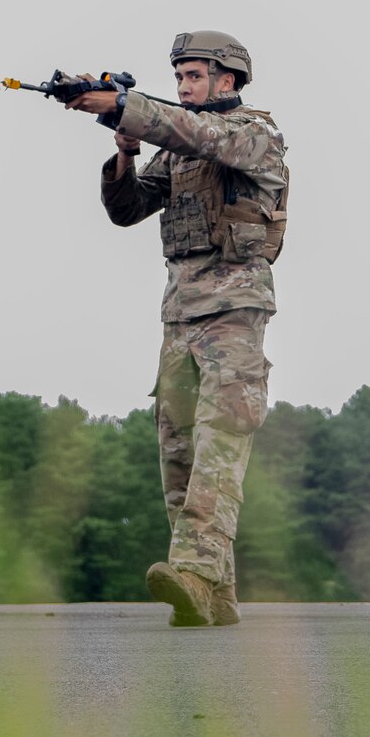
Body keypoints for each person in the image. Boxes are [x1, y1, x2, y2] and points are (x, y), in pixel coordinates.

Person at [63, 31, 289, 627]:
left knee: (220, 443)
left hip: (235, 311)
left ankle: (191, 567)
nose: (185, 87)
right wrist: (126, 150)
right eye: (180, 77)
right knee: (179, 454)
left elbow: (200, 133)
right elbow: (126, 209)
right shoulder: (176, 149)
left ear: (229, 80)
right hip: (180, 315)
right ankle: (215, 595)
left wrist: (122, 105)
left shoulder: (252, 132)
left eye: (195, 76)